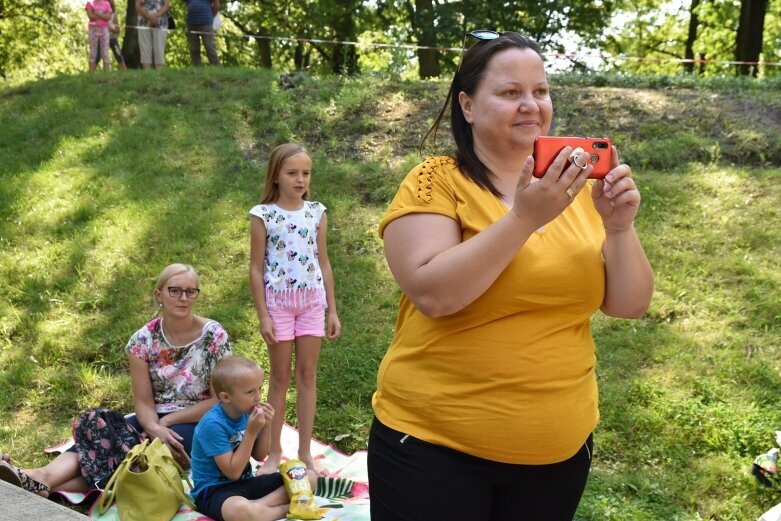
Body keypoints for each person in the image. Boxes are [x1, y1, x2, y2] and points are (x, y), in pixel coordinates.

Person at [367, 31, 654, 521]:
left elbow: (629, 304)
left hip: (557, 456)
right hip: (433, 449)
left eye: (540, 91)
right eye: (510, 92)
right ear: (468, 105)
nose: (531, 105)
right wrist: (523, 219)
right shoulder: (435, 181)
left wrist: (619, 226)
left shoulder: (578, 189)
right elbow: (434, 294)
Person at [0, 263, 232, 498]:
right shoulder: (142, 340)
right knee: (99, 433)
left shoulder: (214, 335)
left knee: (139, 455)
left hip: (199, 421)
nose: (183, 298)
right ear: (158, 294)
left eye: (190, 291)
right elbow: (143, 401)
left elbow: (219, 400)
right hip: (152, 417)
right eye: (175, 290)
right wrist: (153, 426)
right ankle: (41, 478)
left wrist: (167, 423)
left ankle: (38, 481)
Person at [248, 143, 341, 477]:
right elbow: (256, 269)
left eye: (306, 172)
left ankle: (304, 452)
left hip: (313, 302)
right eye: (292, 173)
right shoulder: (263, 215)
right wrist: (263, 315)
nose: (300, 179)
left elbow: (324, 264)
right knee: (279, 377)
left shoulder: (317, 212)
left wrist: (331, 310)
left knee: (307, 375)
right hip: (279, 305)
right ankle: (274, 452)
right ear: (276, 175)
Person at [191, 355, 307, 521]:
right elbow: (233, 473)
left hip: (246, 483)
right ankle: (284, 508)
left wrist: (267, 425)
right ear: (225, 397)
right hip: (214, 491)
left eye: (260, 388)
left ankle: (259, 508)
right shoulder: (212, 424)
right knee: (239, 511)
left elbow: (259, 456)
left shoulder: (246, 412)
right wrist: (251, 432)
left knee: (307, 478)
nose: (258, 397)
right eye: (250, 392)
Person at [135, 0, 169, 69]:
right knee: (145, 49)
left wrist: (156, 16)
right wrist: (149, 17)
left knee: (159, 49)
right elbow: (137, 6)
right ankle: (147, 75)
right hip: (143, 23)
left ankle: (159, 75)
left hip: (160, 23)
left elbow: (167, 5)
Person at [185, 0, 221, 66]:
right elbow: (187, 3)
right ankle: (197, 67)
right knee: (194, 47)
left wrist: (209, 16)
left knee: (209, 46)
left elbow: (217, 5)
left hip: (206, 22)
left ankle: (216, 66)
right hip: (191, 22)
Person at [85, 0, 112, 73]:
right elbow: (90, 16)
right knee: (93, 51)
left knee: (105, 51)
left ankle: (106, 72)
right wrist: (102, 15)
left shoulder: (106, 3)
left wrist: (96, 13)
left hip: (104, 29)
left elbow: (108, 16)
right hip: (93, 28)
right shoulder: (89, 3)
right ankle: (91, 73)